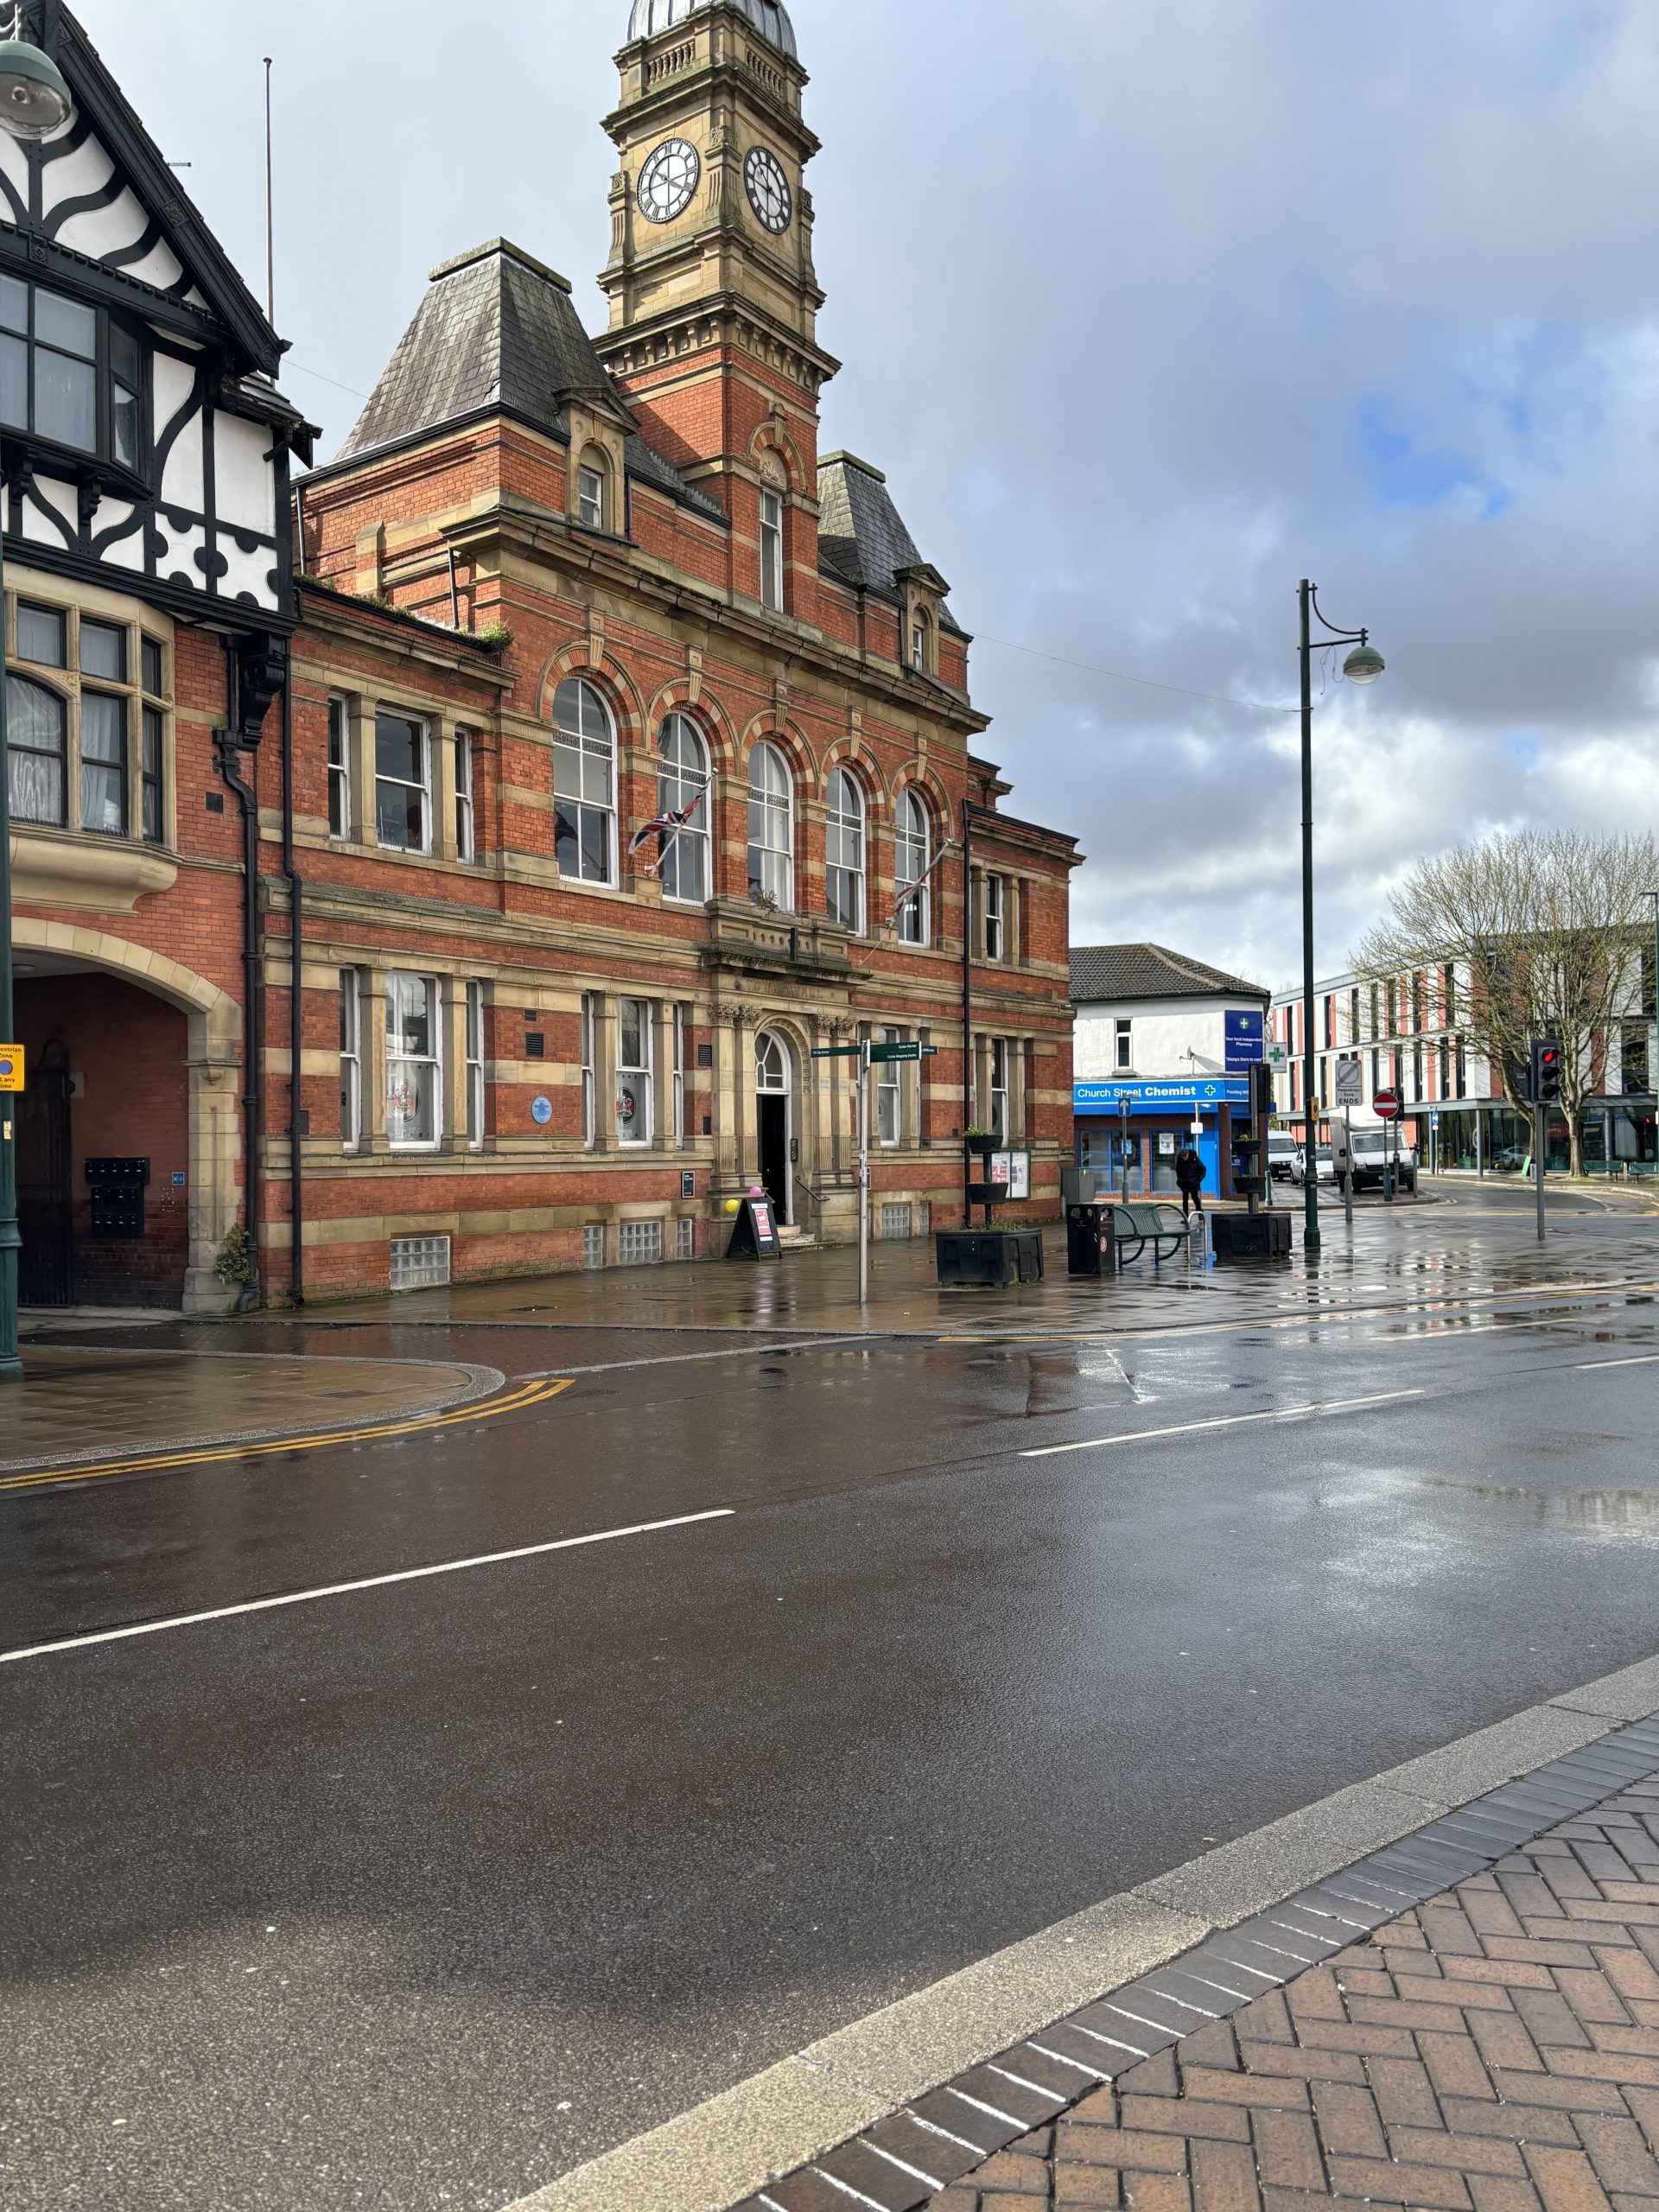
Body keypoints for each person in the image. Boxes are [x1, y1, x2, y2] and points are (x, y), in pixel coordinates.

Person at [1174, 1141, 1207, 1220]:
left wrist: (1199, 1180)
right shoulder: (1180, 1159)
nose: (1183, 1158)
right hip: (1184, 1183)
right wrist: (1180, 1180)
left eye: (1184, 1157)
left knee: (1195, 1198)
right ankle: (1186, 1217)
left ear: (1188, 1154)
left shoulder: (1194, 1158)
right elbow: (1177, 1170)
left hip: (1194, 1183)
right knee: (1185, 1200)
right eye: (1182, 1157)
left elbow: (1203, 1168)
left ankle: (1200, 1213)